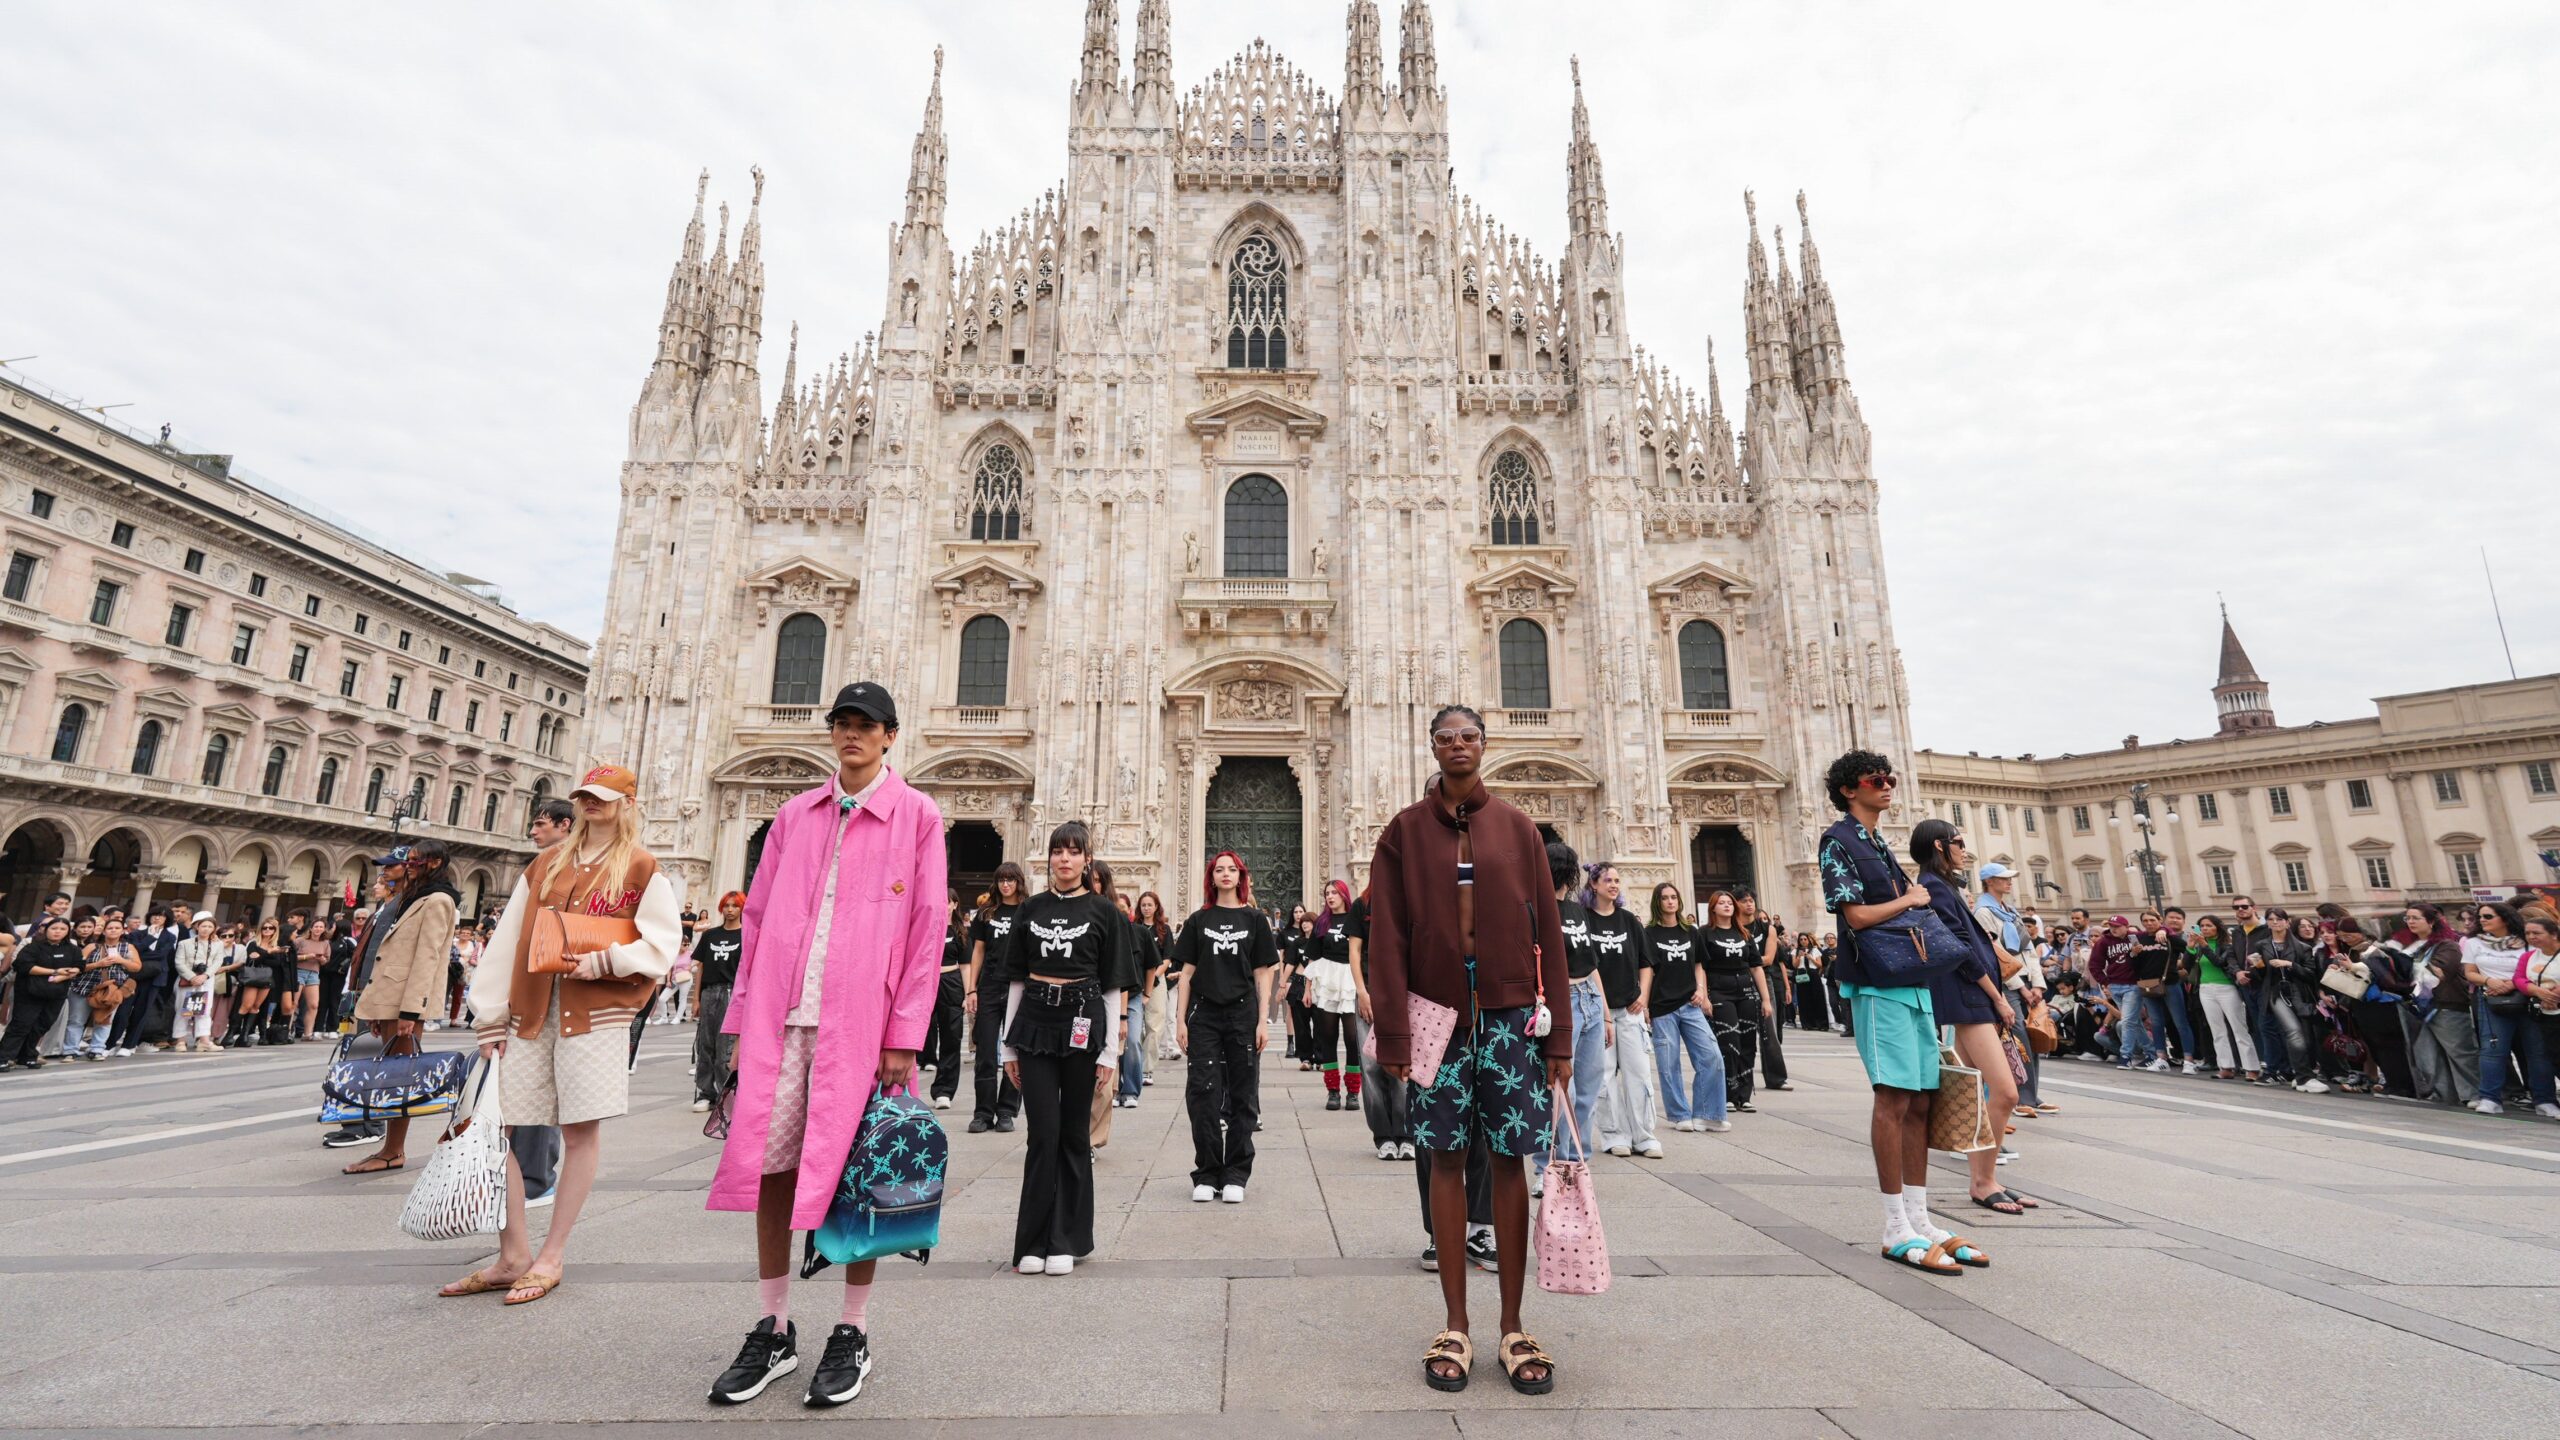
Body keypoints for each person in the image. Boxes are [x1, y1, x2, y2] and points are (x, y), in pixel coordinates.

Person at [694, 687, 940, 1409]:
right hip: (781, 1018)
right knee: (770, 1168)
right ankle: (772, 1325)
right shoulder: (794, 816)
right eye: (842, 724)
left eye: (866, 726)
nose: (853, 736)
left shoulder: (918, 817)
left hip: (861, 1026)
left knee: (860, 1172)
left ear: (890, 736)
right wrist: (739, 1023)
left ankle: (852, 1330)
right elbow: (760, 920)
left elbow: (926, 932)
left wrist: (905, 1035)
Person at [1367, 703, 1570, 1396]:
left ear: (1485, 745)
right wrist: (1392, 1030)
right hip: (1437, 1018)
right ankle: (1456, 1321)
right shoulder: (1403, 832)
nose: (1459, 746)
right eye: (1447, 738)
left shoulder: (1517, 828)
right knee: (1443, 1160)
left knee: (1512, 1162)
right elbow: (1388, 939)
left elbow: (1550, 933)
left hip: (1512, 1016)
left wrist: (1561, 1036)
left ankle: (1513, 1324)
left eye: (1470, 737)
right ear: (1432, 746)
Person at [442, 765, 678, 1310]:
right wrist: (488, 1011)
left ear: (626, 803)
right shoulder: (546, 863)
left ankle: (552, 1253)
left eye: (601, 797)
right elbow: (507, 940)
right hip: (530, 1008)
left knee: (578, 1133)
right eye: (583, 797)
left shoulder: (642, 867)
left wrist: (609, 960)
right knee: (498, 1124)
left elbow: (661, 943)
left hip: (594, 1016)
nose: (590, 805)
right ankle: (513, 1253)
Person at [1819, 749, 1987, 1277]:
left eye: (1890, 778)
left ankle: (1919, 1217)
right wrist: (1911, 900)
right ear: (1850, 789)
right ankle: (1894, 1226)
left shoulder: (1877, 844)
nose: (1888, 785)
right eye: (1877, 779)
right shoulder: (1837, 841)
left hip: (1912, 984)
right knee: (1892, 1099)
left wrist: (1912, 898)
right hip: (1876, 984)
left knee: (1920, 1102)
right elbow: (1855, 915)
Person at [996, 820, 1126, 1272]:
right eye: (1057, 851)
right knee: (1042, 1133)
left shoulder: (1105, 912)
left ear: (1087, 859)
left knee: (1074, 1133)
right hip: (1035, 1019)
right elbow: (1014, 980)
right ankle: (1032, 1241)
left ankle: (1066, 1239)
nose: (1064, 859)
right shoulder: (1029, 909)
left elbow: (1112, 986)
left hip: (1082, 1019)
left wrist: (1109, 1051)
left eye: (1073, 852)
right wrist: (1007, 1048)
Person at [1911, 822, 2035, 1215]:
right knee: (2006, 1092)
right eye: (1960, 843)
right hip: (1969, 997)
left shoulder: (1944, 885)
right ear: (1939, 845)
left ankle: (1985, 1179)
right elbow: (1959, 949)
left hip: (1968, 996)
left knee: (1978, 1092)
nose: (1966, 849)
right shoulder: (1934, 887)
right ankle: (1983, 1181)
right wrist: (1998, 998)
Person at [334, 842, 463, 1176]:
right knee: (393, 1073)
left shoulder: (438, 900)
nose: (407, 865)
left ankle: (394, 1150)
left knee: (401, 1077)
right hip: (391, 997)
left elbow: (427, 957)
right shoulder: (415, 897)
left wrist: (411, 1011)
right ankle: (389, 1148)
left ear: (434, 863)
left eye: (414, 861)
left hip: (406, 1000)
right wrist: (379, 1007)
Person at [1172, 850, 1280, 1202]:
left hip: (1243, 1013)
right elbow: (1186, 974)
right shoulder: (1198, 920)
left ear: (1241, 875)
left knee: (1243, 1093)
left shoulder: (1255, 919)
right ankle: (1206, 1172)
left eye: (1231, 869)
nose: (1225, 874)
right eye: (1219, 869)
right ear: (1211, 877)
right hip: (1203, 1014)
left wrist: (1263, 1020)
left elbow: (1263, 974)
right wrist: (1180, 1021)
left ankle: (1236, 1172)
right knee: (1202, 1092)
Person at [1582, 862, 1658, 1158]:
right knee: (1603, 1077)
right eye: (1607, 880)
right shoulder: (1584, 919)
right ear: (1593, 885)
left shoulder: (1628, 920)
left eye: (1616, 880)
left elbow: (1646, 962)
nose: (1614, 884)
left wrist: (1643, 997)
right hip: (1597, 1010)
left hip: (1629, 1008)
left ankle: (1645, 1134)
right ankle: (1614, 1134)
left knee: (1638, 1072)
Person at [1546, 840, 1608, 1172]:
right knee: (1557, 1089)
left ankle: (1578, 1160)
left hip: (1590, 999)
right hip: (1561, 1001)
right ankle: (1548, 1166)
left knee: (1588, 1087)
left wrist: (1607, 1015)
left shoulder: (1577, 912)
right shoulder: (1538, 910)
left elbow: (1591, 963)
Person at [1644, 882, 1726, 1133]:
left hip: (1690, 1004)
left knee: (1711, 1055)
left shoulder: (1690, 932)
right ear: (1657, 903)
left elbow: (1699, 964)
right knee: (1669, 1065)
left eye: (1674, 897)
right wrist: (1645, 1005)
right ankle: (1680, 1114)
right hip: (1662, 1007)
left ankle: (1707, 1113)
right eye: (1665, 898)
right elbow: (1646, 970)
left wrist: (1701, 990)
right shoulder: (1648, 934)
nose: (1670, 901)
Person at [1972, 862, 2052, 1115]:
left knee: (2033, 1033)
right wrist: (2021, 987)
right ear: (1989, 881)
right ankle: (2020, 1096)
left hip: (2027, 979)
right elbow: (1996, 954)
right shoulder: (1983, 912)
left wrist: (2038, 983)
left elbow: (2028, 949)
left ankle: (2032, 1093)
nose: (2009, 882)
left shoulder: (2009, 910)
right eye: (2003, 878)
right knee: (2017, 1037)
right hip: (2007, 982)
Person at [1345, 884, 1416, 1162]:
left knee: (1402, 1065)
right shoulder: (1362, 905)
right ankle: (1383, 1135)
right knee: (1372, 1065)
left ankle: (1406, 1133)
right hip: (1370, 991)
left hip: (1403, 994)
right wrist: (1362, 992)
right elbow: (1354, 952)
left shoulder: (1410, 902)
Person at [2465, 903, 2549, 1116]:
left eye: (2487, 916)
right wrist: (2490, 981)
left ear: (2504, 918)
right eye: (2479, 917)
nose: (2482, 920)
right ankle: (2490, 1097)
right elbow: (2470, 972)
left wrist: (2513, 983)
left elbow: (2536, 969)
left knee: (2537, 1051)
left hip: (2525, 998)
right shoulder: (2474, 943)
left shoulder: (2526, 943)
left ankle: (2544, 1099)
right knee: (2493, 1049)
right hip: (2492, 999)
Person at [963, 861, 1027, 1134]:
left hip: (1018, 987)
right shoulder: (987, 913)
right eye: (1001, 880)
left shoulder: (1028, 911)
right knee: (986, 1051)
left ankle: (1007, 1110)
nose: (1005, 885)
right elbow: (978, 951)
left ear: (1018, 882)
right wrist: (972, 988)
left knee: (1015, 1050)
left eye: (1011, 880)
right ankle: (983, 1111)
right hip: (989, 986)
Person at [2393, 904, 2478, 1108]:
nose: (2410, 922)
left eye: (2415, 918)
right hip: (2419, 1007)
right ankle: (2444, 1094)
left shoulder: (2447, 945)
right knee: (2430, 1054)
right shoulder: (2411, 946)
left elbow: (2440, 973)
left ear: (2431, 921)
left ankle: (2474, 1093)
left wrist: (2404, 964)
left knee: (2460, 1053)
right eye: (2408, 919)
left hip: (2447, 1005)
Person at [2329, 915, 2415, 1097]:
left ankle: (2403, 1087)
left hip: (2382, 1004)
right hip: (2363, 1004)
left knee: (2391, 1047)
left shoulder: (2375, 951)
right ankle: (2392, 1083)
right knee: (2376, 1046)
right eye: (2341, 935)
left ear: (2362, 933)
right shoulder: (2354, 951)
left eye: (2348, 935)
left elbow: (2384, 979)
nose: (2344, 939)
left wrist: (2352, 968)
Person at [1699, 891, 1762, 1113]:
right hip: (1720, 992)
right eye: (1721, 903)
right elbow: (1701, 967)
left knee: (1748, 1042)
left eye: (1729, 903)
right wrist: (1704, 996)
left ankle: (1744, 1095)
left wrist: (1765, 998)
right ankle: (1728, 1092)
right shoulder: (1705, 934)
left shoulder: (1743, 933)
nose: (1727, 906)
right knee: (1729, 1041)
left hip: (1745, 990)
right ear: (1713, 908)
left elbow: (1755, 966)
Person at [1305, 881, 1364, 1111]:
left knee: (1352, 1037)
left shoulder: (1355, 917)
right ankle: (1333, 1091)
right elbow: (1313, 956)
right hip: (1328, 979)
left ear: (1344, 895)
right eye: (1327, 893)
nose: (1330, 897)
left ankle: (1353, 1092)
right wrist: (1308, 988)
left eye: (1334, 893)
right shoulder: (1322, 922)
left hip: (1350, 977)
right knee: (1327, 1036)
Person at [689, 892, 746, 1114]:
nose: (730, 910)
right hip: (709, 992)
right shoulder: (710, 935)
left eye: (735, 906)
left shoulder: (746, 935)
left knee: (726, 1047)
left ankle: (726, 1094)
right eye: (726, 906)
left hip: (731, 992)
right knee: (705, 1044)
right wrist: (696, 998)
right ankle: (705, 1093)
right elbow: (701, 966)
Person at [1, 916, 83, 1068]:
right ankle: (4, 1057)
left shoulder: (72, 949)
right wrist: (55, 971)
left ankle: (27, 1056)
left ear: (68, 932)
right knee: (21, 1024)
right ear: (46, 930)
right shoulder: (33, 946)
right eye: (54, 928)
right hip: (29, 992)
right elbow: (23, 965)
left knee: (42, 1024)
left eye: (62, 929)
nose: (57, 932)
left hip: (56, 993)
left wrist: (73, 971)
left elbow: (80, 964)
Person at [2186, 916, 2261, 1082]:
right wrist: (2190, 948)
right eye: (2201, 926)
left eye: (2208, 925)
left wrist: (2204, 946)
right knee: (2217, 1030)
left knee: (2239, 1028)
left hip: (2226, 988)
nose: (2204, 929)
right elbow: (2187, 966)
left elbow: (2219, 962)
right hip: (2205, 989)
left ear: (2217, 928)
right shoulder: (2199, 946)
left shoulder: (2226, 945)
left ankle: (2252, 1067)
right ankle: (2226, 1067)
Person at [68, 916, 142, 1060]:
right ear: (103, 931)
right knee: (76, 1020)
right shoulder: (92, 946)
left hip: (110, 989)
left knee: (104, 1020)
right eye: (110, 928)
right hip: (85, 986)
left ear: (123, 931)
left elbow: (137, 967)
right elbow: (78, 966)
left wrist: (121, 960)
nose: (113, 931)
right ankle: (70, 1050)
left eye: (117, 928)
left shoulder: (128, 947)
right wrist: (98, 964)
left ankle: (97, 1049)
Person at [1113, 887, 1160, 1110]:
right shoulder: (1106, 932)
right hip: (1109, 994)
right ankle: (1112, 1088)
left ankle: (1130, 1088)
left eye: (1123, 909)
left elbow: (1152, 965)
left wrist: (1147, 994)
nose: (1120, 913)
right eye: (1116, 910)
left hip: (1132, 996)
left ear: (1130, 911)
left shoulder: (1141, 933)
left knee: (1131, 1040)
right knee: (1109, 1044)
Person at [920, 891, 968, 1111]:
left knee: (951, 1037)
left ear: (954, 905)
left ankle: (944, 1090)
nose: (943, 904)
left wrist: (969, 994)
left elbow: (966, 965)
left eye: (946, 901)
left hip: (951, 981)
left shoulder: (960, 932)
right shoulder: (926, 927)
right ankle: (923, 1064)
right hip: (926, 981)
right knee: (921, 1031)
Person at [107, 905, 175, 1055]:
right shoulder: (138, 933)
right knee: (123, 1010)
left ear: (167, 919)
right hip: (133, 976)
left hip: (154, 978)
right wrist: (150, 938)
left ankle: (129, 1045)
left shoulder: (170, 936)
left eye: (161, 916)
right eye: (155, 915)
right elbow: (133, 951)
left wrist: (141, 954)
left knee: (141, 1011)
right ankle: (110, 1044)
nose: (157, 918)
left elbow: (161, 955)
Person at [1738, 893, 1789, 1091]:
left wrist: (1745, 960)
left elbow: (1767, 958)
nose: (1749, 904)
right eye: (1744, 901)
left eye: (1751, 900)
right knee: (1741, 1030)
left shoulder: (1767, 929)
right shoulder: (1733, 928)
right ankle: (1741, 1080)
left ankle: (1776, 1078)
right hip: (1739, 979)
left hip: (1763, 979)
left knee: (1770, 1029)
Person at [171, 916, 224, 1052]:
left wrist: (205, 975)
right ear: (197, 927)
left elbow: (218, 962)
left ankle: (204, 1041)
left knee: (204, 1011)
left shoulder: (218, 944)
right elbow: (179, 962)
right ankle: (180, 1041)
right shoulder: (185, 943)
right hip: (187, 980)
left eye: (210, 927)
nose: (206, 929)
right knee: (184, 1010)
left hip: (206, 981)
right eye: (203, 926)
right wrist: (192, 976)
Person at [1136, 891, 1175, 1065]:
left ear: (1157, 907)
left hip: (1158, 981)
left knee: (1155, 1024)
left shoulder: (1164, 930)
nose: (1146, 908)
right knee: (1136, 1025)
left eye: (1150, 905)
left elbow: (1167, 959)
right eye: (1143, 905)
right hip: (1136, 980)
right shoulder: (1134, 927)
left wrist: (1155, 975)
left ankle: (1147, 1068)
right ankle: (1136, 1062)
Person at [1791, 931, 1831, 1031]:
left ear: (1808, 940)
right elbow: (1794, 965)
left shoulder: (1814, 950)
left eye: (1805, 939)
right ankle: (1807, 1023)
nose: (1803, 941)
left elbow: (1819, 965)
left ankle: (1821, 1024)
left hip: (1813, 974)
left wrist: (1811, 958)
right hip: (1801, 974)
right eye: (1801, 939)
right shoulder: (1795, 951)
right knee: (1804, 999)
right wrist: (1799, 956)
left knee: (1818, 998)